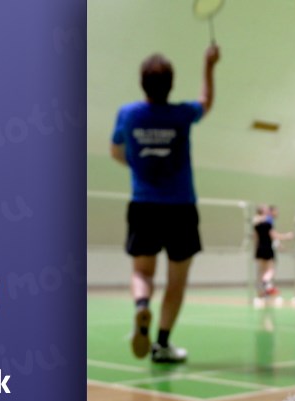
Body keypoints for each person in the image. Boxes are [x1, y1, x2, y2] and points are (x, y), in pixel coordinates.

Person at [110, 44, 220, 364]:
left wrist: (139, 163)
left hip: (144, 205)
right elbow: (206, 102)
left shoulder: (128, 114)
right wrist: (209, 64)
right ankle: (161, 343)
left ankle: (142, 306)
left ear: (142, 83)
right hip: (181, 208)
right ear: (171, 85)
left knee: (142, 272)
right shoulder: (182, 114)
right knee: (177, 280)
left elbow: (116, 152)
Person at [253, 205, 293, 298]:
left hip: (259, 248)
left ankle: (261, 291)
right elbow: (274, 235)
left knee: (261, 271)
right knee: (270, 270)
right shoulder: (268, 223)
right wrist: (287, 236)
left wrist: (256, 250)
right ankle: (266, 284)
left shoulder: (256, 224)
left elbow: (255, 237)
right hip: (267, 248)